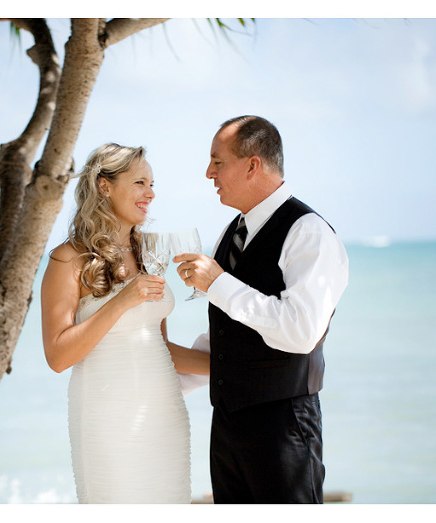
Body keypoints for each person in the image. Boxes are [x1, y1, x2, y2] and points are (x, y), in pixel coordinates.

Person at [174, 116, 349, 503]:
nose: (208, 173)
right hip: (226, 430)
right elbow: (230, 339)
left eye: (218, 162)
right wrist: (159, 384)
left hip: (283, 430)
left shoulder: (309, 232)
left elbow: (301, 333)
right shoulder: (230, 233)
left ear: (253, 164)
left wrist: (218, 284)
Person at [40, 143, 208, 503]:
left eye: (152, 184)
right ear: (104, 186)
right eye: (140, 183)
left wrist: (232, 366)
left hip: (163, 412)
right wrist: (121, 301)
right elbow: (57, 356)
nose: (150, 193)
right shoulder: (68, 258)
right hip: (107, 417)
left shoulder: (149, 251)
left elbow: (160, 348)